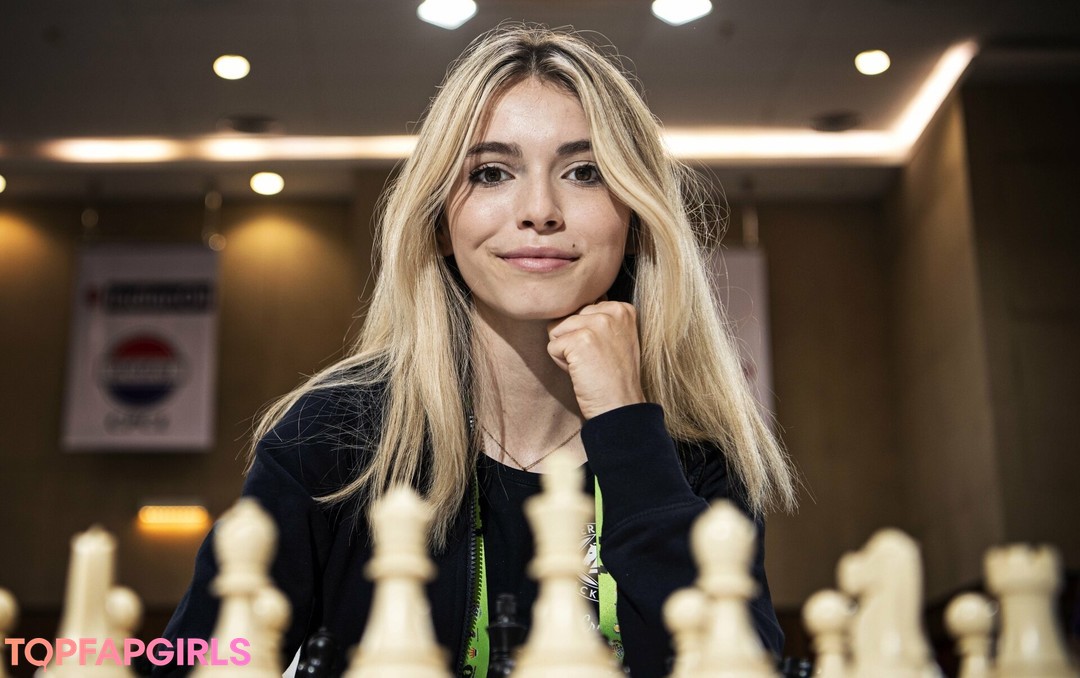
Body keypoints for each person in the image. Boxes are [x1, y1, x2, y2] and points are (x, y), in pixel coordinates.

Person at [153, 23, 797, 678]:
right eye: (491, 173)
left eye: (585, 172)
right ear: (439, 222)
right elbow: (190, 660)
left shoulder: (695, 456)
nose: (540, 210)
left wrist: (629, 432)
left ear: (632, 218)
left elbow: (736, 663)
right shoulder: (332, 437)